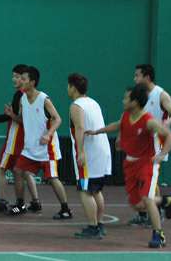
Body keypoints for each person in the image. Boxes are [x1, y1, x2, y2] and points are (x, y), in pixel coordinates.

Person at [87, 84, 171, 248]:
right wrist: (97, 131)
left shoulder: (148, 121)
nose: (123, 101)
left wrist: (162, 154)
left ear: (134, 102)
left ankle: (158, 235)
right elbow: (117, 125)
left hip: (146, 163)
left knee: (147, 199)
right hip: (130, 164)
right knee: (137, 205)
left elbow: (170, 135)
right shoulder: (126, 116)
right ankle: (166, 200)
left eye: (126, 98)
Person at [12, 66, 71, 219]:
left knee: (52, 178)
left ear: (32, 82)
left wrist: (48, 134)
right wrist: (12, 116)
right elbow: (23, 120)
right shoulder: (23, 99)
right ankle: (20, 205)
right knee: (18, 171)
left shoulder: (44, 99)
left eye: (23, 79)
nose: (20, 81)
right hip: (30, 148)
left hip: (47, 148)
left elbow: (58, 119)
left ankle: (65, 209)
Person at [0, 64, 39, 214]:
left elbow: (14, 117)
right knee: (20, 171)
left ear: (27, 79)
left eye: (18, 77)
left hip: (15, 138)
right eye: (14, 76)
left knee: (1, 168)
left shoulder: (20, 95)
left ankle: (3, 202)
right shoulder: (33, 96)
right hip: (26, 139)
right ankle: (30, 202)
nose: (14, 79)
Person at [130, 64, 171, 226]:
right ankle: (160, 205)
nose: (135, 79)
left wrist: (166, 123)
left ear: (147, 77)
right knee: (143, 179)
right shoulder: (139, 95)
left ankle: (154, 213)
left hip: (155, 143)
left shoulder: (160, 94)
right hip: (141, 144)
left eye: (137, 75)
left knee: (147, 179)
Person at [67, 73, 112, 239]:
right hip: (101, 150)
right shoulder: (93, 103)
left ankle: (93, 227)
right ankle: (99, 224)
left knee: (85, 190)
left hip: (89, 153)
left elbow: (80, 128)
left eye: (68, 86)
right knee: (96, 190)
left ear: (73, 87)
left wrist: (80, 152)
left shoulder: (76, 106)